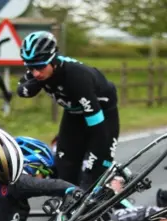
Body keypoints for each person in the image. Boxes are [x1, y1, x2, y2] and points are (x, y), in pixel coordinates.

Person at [17, 31, 119, 190]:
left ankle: (113, 184)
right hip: (73, 114)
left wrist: (96, 160)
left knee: (92, 175)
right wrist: (38, 82)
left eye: (40, 67)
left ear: (53, 60)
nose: (36, 72)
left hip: (102, 116)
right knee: (64, 170)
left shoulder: (77, 77)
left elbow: (98, 128)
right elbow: (22, 91)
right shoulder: (40, 71)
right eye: (31, 67)